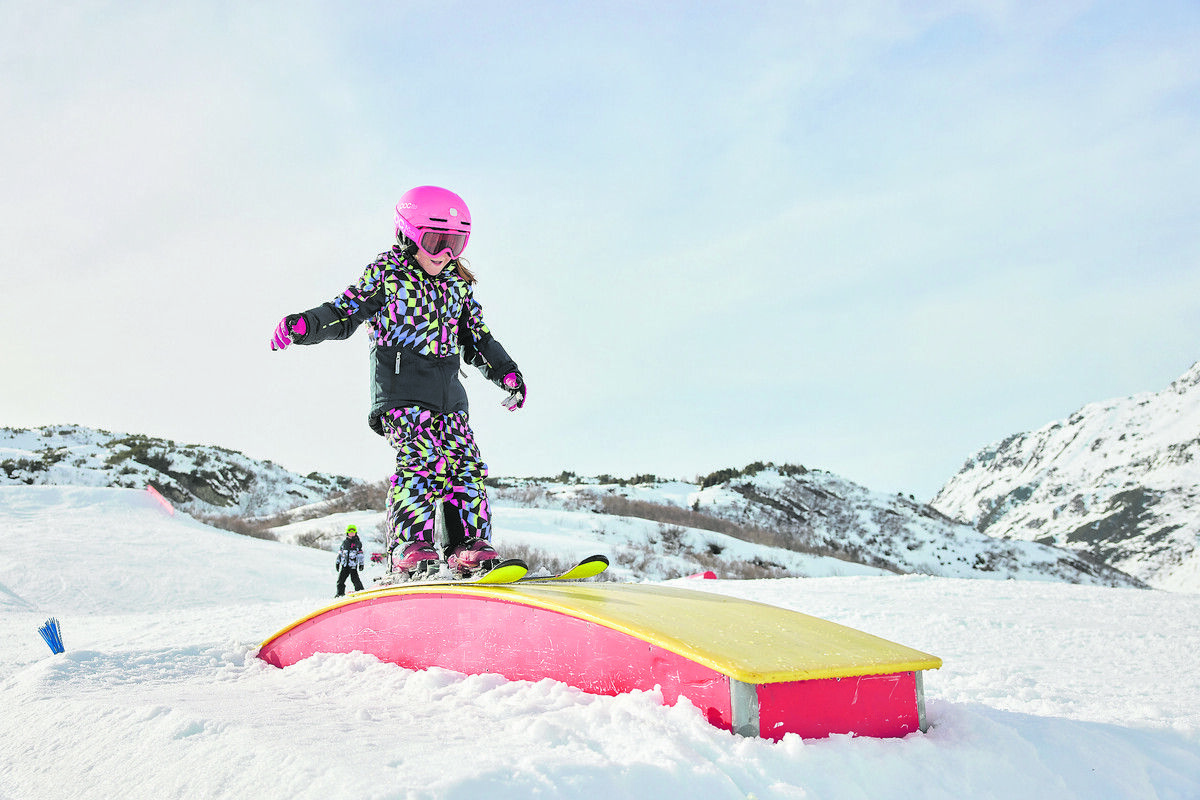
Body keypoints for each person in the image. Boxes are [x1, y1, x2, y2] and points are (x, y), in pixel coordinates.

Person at [270, 186, 526, 580]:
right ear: (408, 234)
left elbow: (477, 338)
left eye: (456, 244)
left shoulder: (457, 285)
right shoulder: (387, 274)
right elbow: (344, 312)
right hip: (402, 392)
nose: (445, 254)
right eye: (435, 242)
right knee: (423, 462)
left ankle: (467, 546)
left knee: (465, 466)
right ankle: (409, 546)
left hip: (449, 398)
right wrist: (305, 325)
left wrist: (506, 372)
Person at [335, 524, 365, 596]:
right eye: (350, 532)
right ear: (347, 533)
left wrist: (361, 564)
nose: (351, 534)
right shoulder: (345, 543)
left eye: (353, 532)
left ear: (355, 533)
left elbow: (360, 554)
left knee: (355, 579)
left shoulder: (357, 543)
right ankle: (340, 594)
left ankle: (360, 591)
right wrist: (337, 562)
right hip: (345, 565)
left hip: (353, 565)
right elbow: (340, 553)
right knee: (340, 580)